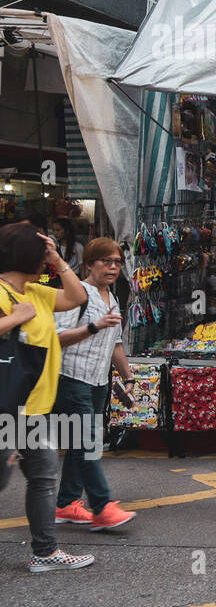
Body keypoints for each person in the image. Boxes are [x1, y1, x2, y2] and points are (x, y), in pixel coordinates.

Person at [0, 222, 93, 572]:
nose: (46, 261)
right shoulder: (3, 293)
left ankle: (45, 552)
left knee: (42, 477)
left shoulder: (35, 292)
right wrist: (13, 320)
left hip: (33, 411)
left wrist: (57, 259)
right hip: (8, 410)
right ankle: (45, 551)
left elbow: (77, 297)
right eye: (43, 254)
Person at [51, 238, 137, 531]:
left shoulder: (111, 298)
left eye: (117, 262)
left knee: (80, 445)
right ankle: (102, 506)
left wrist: (128, 377)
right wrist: (92, 327)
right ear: (89, 264)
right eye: (105, 261)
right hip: (71, 379)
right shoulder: (76, 295)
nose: (112, 267)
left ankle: (67, 504)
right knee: (87, 444)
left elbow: (116, 343)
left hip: (98, 382)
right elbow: (55, 336)